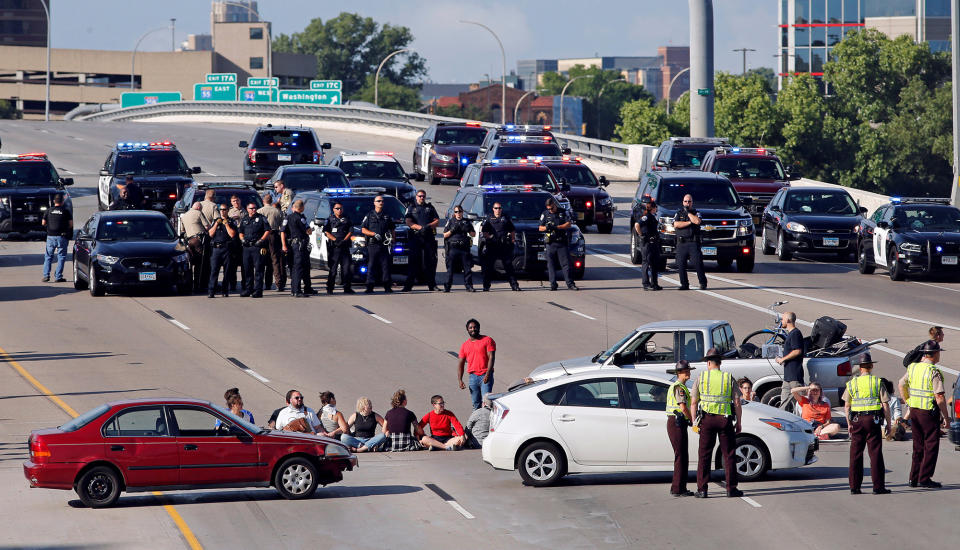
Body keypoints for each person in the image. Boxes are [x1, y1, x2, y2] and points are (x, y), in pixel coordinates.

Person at [690, 347, 743, 498]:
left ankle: (702, 489)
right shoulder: (728, 377)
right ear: (720, 363)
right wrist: (738, 422)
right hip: (724, 420)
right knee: (729, 454)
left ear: (708, 363)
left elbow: (693, 403)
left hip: (707, 420)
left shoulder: (701, 378)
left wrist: (694, 423)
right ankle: (731, 489)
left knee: (704, 455)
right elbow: (737, 402)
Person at [899, 340, 950, 489]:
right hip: (928, 413)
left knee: (918, 446)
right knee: (931, 445)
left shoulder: (913, 367)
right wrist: (946, 418)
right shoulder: (933, 371)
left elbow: (901, 383)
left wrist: (908, 400)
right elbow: (939, 397)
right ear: (934, 354)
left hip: (914, 411)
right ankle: (925, 477)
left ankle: (913, 478)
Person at [843, 352, 891, 494]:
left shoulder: (852, 383)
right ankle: (878, 487)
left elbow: (846, 406)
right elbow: (886, 405)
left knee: (855, 454)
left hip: (857, 420)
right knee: (875, 453)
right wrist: (888, 424)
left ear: (860, 367)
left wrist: (849, 423)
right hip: (873, 421)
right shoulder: (877, 382)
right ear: (871, 366)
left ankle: (854, 487)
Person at [666, 360, 695, 497]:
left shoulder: (680, 386)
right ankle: (678, 489)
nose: (688, 372)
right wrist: (692, 419)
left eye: (688, 370)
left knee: (682, 455)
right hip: (676, 422)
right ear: (679, 373)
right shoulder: (678, 387)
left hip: (678, 423)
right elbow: (683, 407)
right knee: (681, 456)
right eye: (685, 371)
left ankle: (679, 487)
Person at [403, 190, 440, 292]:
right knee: (414, 262)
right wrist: (419, 227)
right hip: (416, 238)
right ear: (416, 197)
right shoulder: (411, 207)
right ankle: (408, 286)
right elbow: (408, 221)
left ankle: (432, 285)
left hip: (428, 238)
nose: (422, 198)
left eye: (423, 196)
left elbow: (437, 221)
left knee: (430, 263)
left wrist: (428, 226)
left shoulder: (430, 207)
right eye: (420, 196)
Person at [539, 197, 578, 291]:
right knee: (551, 265)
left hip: (561, 242)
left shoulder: (563, 212)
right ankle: (553, 284)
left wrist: (557, 227)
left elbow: (568, 224)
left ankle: (570, 284)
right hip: (550, 243)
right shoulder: (545, 214)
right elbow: (540, 227)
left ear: (555, 205)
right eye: (548, 209)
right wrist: (547, 228)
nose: (550, 210)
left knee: (566, 264)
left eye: (552, 208)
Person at [480, 201, 520, 292]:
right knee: (489, 267)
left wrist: (512, 240)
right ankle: (486, 286)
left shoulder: (505, 218)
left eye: (499, 208)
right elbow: (484, 231)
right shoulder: (489, 219)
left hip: (504, 246)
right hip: (492, 246)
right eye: (496, 208)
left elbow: (512, 230)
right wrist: (490, 237)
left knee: (509, 267)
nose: (498, 210)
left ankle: (514, 285)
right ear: (493, 209)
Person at [457, 318, 496, 410]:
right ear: (467, 329)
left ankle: (487, 423)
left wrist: (487, 374)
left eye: (475, 327)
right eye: (470, 328)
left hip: (485, 375)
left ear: (479, 328)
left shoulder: (487, 340)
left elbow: (491, 357)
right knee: (476, 403)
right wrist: (460, 380)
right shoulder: (465, 345)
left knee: (486, 402)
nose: (473, 329)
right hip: (473, 377)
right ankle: (476, 423)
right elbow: (461, 363)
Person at [360, 194, 395, 294]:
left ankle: (387, 286)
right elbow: (363, 229)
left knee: (385, 266)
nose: (381, 203)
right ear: (374, 203)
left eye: (382, 201)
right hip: (373, 244)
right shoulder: (369, 215)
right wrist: (373, 234)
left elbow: (392, 229)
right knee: (371, 265)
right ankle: (370, 287)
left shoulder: (387, 216)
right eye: (379, 201)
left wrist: (393, 240)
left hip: (384, 244)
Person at [673, 194, 707, 291]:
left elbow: (697, 221)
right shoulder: (678, 213)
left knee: (698, 264)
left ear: (692, 202)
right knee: (681, 264)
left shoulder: (696, 212)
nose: (687, 203)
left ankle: (702, 283)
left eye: (689, 201)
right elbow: (676, 224)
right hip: (681, 243)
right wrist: (688, 223)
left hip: (693, 243)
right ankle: (684, 284)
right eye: (685, 201)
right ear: (682, 202)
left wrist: (688, 213)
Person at [281, 199, 313, 297]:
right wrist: (311, 229)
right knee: (298, 268)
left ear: (293, 208)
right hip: (300, 246)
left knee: (294, 267)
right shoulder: (301, 218)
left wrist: (284, 245)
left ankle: (295, 289)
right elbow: (308, 231)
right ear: (302, 208)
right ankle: (297, 291)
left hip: (290, 245)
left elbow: (282, 231)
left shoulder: (287, 218)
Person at [238, 203, 270, 298]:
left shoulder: (261, 218)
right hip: (247, 247)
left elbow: (267, 230)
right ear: (247, 209)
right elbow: (240, 231)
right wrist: (242, 240)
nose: (254, 210)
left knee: (259, 269)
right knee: (247, 269)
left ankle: (258, 291)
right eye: (251, 208)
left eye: (255, 208)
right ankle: (248, 289)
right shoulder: (244, 219)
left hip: (257, 247)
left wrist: (261, 240)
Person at [322, 201, 354, 294]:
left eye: (341, 208)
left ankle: (347, 287)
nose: (339, 210)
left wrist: (344, 240)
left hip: (344, 247)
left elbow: (350, 231)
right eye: (337, 208)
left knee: (346, 268)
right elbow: (326, 232)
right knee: (333, 269)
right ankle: (330, 288)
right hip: (334, 248)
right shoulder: (329, 220)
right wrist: (335, 240)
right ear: (333, 209)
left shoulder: (347, 218)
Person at [443, 205, 476, 292]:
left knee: (467, 268)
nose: (458, 213)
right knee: (450, 269)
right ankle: (447, 286)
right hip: (453, 248)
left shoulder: (466, 222)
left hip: (464, 248)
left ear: (462, 212)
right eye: (456, 212)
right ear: (454, 213)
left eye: (460, 211)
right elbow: (444, 235)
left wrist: (468, 229)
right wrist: (452, 230)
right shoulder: (451, 221)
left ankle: (469, 286)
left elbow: (473, 234)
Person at [207, 203, 237, 298]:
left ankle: (225, 290)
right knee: (214, 270)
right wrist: (216, 224)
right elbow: (210, 234)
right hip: (216, 249)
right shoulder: (216, 220)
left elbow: (232, 234)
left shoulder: (231, 221)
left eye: (224, 210)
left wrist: (226, 224)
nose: (222, 211)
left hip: (226, 249)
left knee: (227, 271)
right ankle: (211, 291)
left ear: (228, 210)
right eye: (221, 210)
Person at [633, 195, 662, 291]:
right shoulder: (646, 217)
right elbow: (637, 224)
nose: (656, 209)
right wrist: (641, 235)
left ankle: (654, 283)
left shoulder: (653, 217)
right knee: (646, 262)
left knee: (655, 264)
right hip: (647, 243)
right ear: (653, 208)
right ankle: (646, 283)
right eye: (655, 207)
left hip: (654, 243)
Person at [777, 311, 805, 409]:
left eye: (783, 319)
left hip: (795, 376)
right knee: (783, 403)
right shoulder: (790, 334)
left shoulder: (795, 334)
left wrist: (782, 359)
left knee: (802, 402)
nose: (781, 321)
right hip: (788, 376)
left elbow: (797, 351)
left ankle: (807, 420)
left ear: (788, 320)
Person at [41, 193, 71, 283]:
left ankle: (46, 275)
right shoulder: (66, 211)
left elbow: (43, 223)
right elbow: (70, 225)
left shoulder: (48, 211)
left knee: (48, 256)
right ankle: (58, 276)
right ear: (62, 202)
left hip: (50, 237)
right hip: (62, 237)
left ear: (54, 201)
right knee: (61, 257)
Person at [180, 202, 210, 292]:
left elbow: (183, 230)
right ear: (198, 208)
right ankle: (199, 285)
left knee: (190, 263)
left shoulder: (184, 216)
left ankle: (190, 284)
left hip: (189, 241)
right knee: (199, 264)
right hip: (198, 240)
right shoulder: (199, 213)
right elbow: (207, 227)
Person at [258, 192, 284, 291]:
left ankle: (265, 283)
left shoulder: (259, 211)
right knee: (275, 260)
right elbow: (282, 227)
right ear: (271, 201)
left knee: (262, 260)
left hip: (263, 236)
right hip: (274, 235)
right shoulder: (278, 212)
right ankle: (279, 283)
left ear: (263, 201)